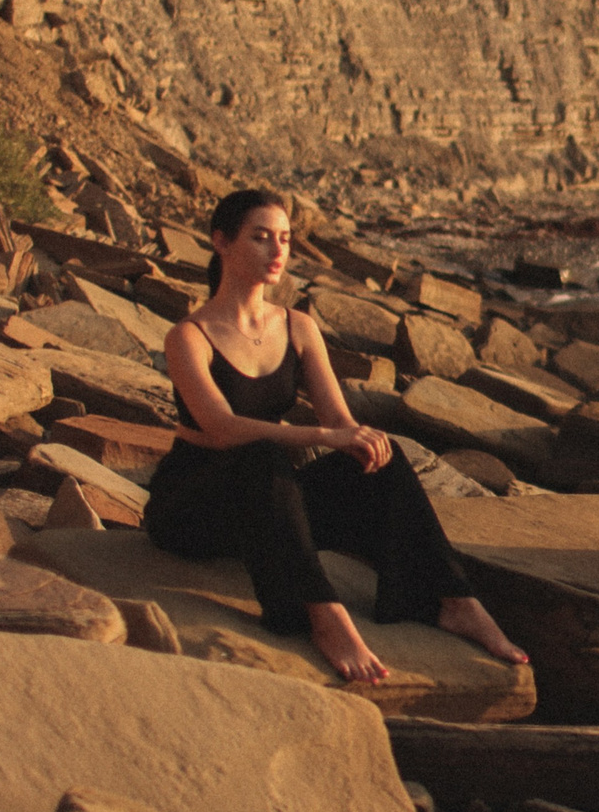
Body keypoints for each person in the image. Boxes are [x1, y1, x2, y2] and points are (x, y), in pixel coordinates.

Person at [145, 187, 528, 683]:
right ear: (221, 242)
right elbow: (220, 429)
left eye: (284, 238)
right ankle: (321, 614)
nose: (278, 250)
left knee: (382, 456)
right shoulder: (189, 336)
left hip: (268, 503)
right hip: (195, 508)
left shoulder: (297, 326)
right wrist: (322, 436)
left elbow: (342, 422)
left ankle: (453, 601)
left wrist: (360, 442)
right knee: (261, 455)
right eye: (261, 237)